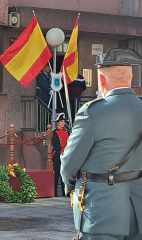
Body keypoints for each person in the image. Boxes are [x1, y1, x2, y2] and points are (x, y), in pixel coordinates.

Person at [61, 48, 142, 240]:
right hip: (138, 210)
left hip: (101, 211)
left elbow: (69, 164)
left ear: (102, 80)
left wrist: (70, 185)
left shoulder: (92, 112)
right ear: (130, 79)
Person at [51, 113, 69, 197]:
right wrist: (61, 151)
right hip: (58, 155)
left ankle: (64, 191)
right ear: (57, 123)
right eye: (61, 121)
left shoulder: (66, 132)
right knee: (56, 174)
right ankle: (54, 192)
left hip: (65, 155)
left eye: (64, 121)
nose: (63, 123)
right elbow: (55, 144)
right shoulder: (54, 132)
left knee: (64, 174)